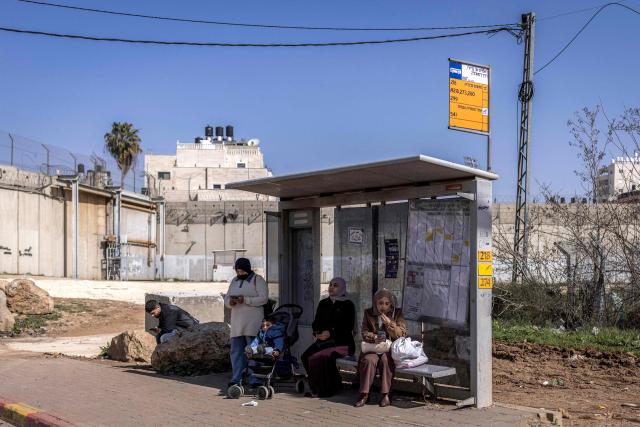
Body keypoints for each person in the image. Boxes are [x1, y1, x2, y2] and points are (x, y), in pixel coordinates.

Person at [301, 277, 356, 398]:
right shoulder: (323, 303)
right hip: (324, 341)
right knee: (306, 356)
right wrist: (318, 333)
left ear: (342, 288)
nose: (331, 287)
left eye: (335, 285)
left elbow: (348, 326)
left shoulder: (347, 304)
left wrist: (331, 332)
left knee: (324, 356)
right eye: (330, 285)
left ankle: (327, 388)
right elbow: (316, 323)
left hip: (342, 342)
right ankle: (320, 385)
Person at [355, 288, 406, 408]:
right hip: (373, 347)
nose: (383, 307)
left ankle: (386, 394)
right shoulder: (369, 313)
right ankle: (364, 394)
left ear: (391, 304)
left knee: (385, 360)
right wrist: (374, 337)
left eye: (387, 303)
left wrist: (389, 323)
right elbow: (364, 332)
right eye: (380, 303)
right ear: (375, 302)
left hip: (389, 349)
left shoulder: (397, 313)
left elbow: (401, 334)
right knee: (369, 360)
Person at [224, 257, 268, 388]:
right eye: (238, 271)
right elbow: (227, 298)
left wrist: (245, 300)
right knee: (236, 353)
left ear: (248, 269)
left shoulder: (258, 280)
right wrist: (230, 302)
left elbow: (263, 299)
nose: (240, 274)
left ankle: (255, 379)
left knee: (254, 352)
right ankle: (236, 378)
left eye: (242, 271)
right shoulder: (234, 281)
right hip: (237, 324)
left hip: (252, 324)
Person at [244, 316, 286, 387]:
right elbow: (255, 341)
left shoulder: (276, 332)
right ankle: (251, 351)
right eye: (263, 326)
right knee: (255, 351)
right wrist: (251, 347)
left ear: (274, 325)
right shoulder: (261, 333)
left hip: (272, 350)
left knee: (268, 349)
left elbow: (279, 342)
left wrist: (277, 350)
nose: (265, 327)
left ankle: (261, 350)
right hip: (261, 350)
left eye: (268, 325)